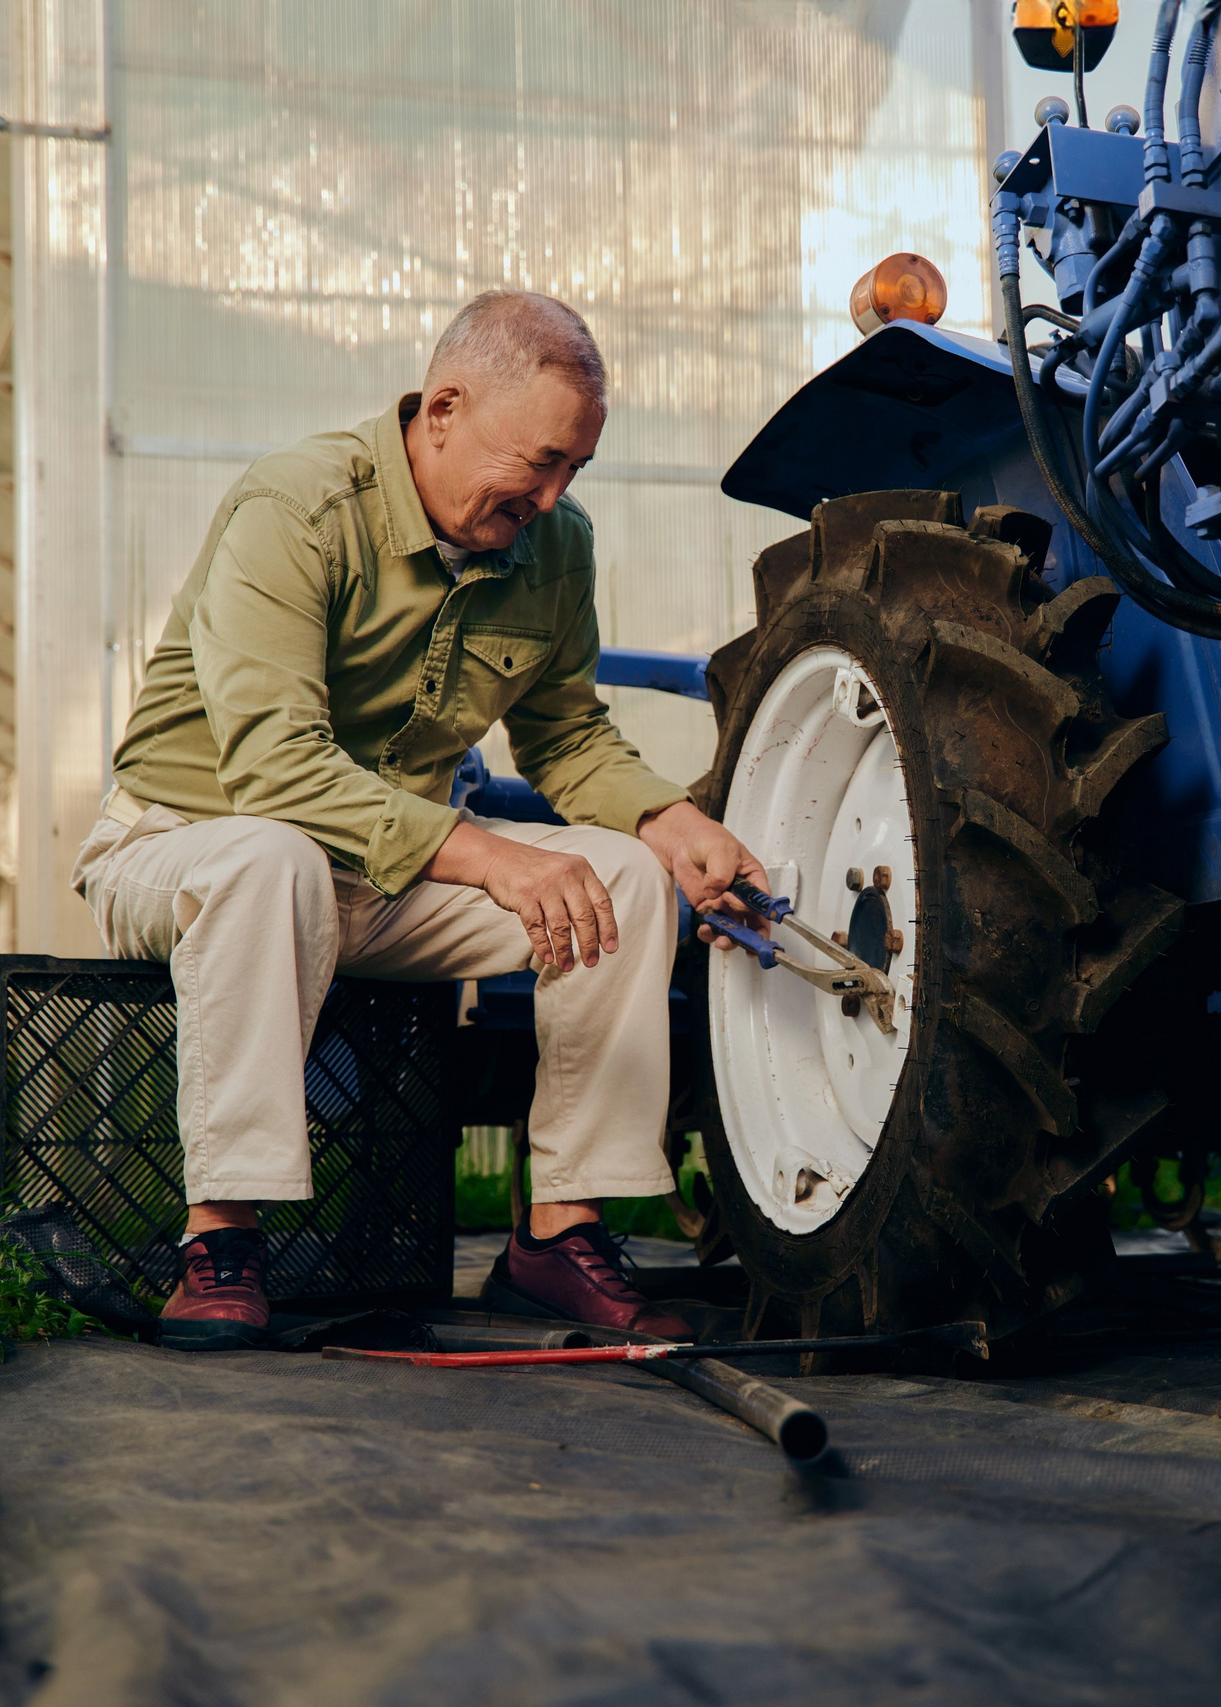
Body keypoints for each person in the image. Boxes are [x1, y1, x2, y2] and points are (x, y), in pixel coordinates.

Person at [72, 290, 767, 1350]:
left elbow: (566, 736)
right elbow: (272, 768)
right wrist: (487, 856)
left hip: (382, 879)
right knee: (272, 857)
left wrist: (676, 828)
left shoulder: (556, 547)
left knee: (622, 878)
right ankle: (221, 1238)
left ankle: (558, 1236)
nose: (553, 495)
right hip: (185, 845)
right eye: (540, 461)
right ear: (443, 409)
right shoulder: (296, 508)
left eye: (576, 467)